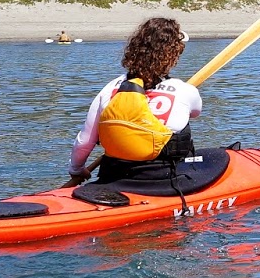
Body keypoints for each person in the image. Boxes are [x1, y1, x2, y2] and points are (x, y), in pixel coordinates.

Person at [64, 17, 201, 187]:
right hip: (163, 181)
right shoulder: (185, 90)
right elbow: (195, 112)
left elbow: (85, 141)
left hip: (113, 176)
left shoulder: (110, 88)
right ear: (172, 56)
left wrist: (77, 169)